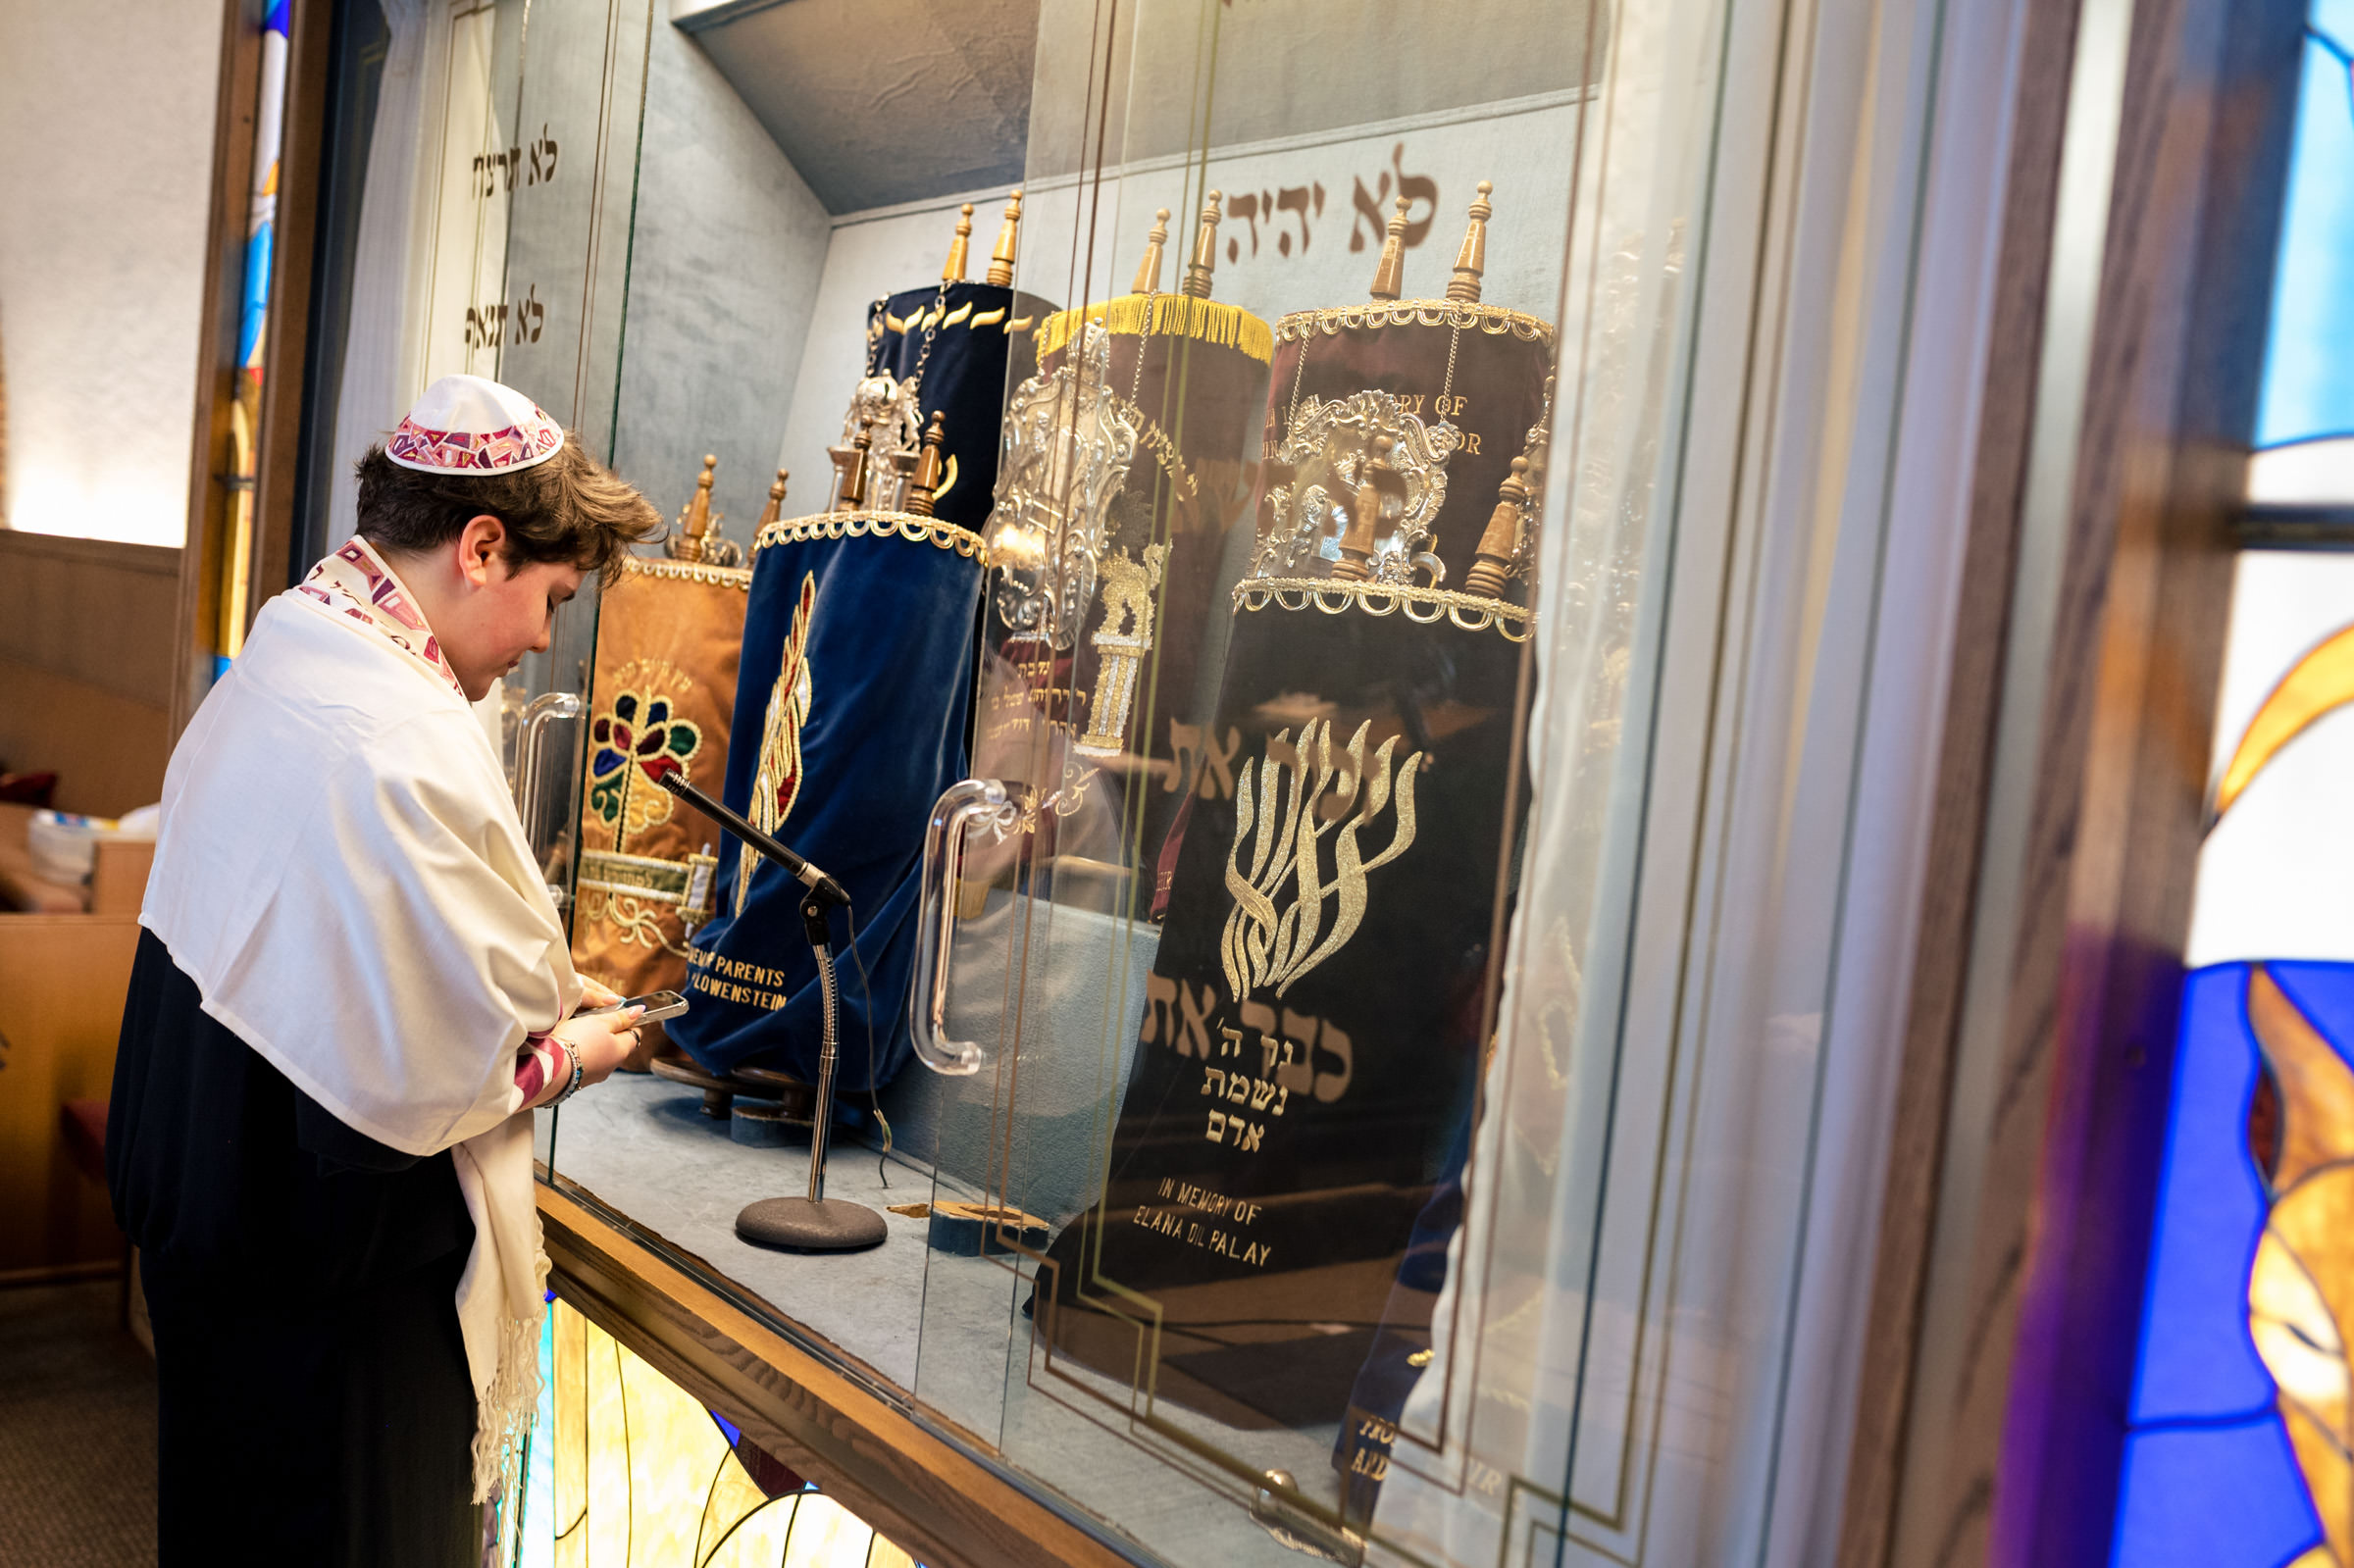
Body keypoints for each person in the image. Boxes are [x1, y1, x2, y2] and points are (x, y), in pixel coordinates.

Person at [106, 375, 663, 1565]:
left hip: (208, 1203)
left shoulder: (291, 653)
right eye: (551, 598)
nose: (539, 642)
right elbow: (427, 1072)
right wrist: (571, 1053)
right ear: (479, 547)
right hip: (324, 1285)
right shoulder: (392, 736)